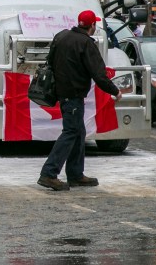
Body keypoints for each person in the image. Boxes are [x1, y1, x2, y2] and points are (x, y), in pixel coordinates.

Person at [37, 10, 122, 191]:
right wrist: (115, 91)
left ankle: (75, 174)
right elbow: (99, 75)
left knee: (79, 132)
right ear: (92, 25)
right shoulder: (86, 43)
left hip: (62, 92)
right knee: (71, 132)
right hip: (73, 94)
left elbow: (49, 62)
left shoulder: (61, 37)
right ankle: (49, 173)